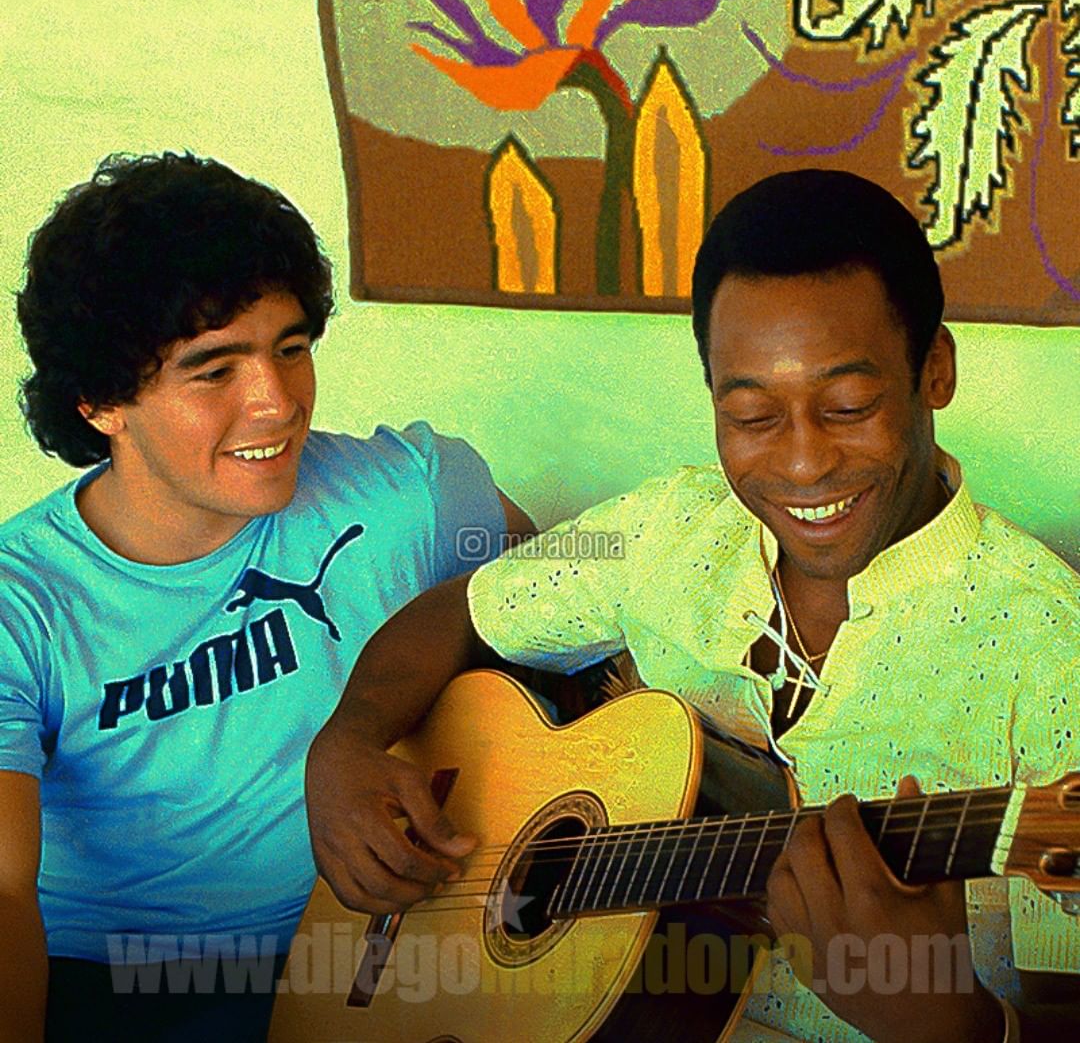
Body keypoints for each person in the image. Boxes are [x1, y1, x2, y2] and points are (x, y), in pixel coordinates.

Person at [306, 170, 1079, 1041]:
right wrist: (348, 740)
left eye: (849, 406)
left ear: (933, 369)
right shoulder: (662, 529)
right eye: (751, 416)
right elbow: (463, 608)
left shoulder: (1054, 656)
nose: (801, 464)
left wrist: (950, 1025)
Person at [0, 151, 535, 1043]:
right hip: (134, 987)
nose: (277, 403)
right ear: (99, 400)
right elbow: (5, 891)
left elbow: (577, 605)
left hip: (390, 953)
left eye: (291, 349)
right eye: (215, 372)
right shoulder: (23, 602)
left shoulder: (413, 495)